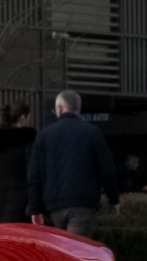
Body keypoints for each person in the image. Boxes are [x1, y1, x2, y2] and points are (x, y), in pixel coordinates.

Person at [26, 89, 118, 235]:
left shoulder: (44, 135)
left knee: (62, 251)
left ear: (59, 109)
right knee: (77, 250)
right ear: (78, 108)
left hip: (54, 204)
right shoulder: (92, 132)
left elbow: (34, 175)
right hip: (83, 203)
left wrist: (36, 208)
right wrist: (114, 198)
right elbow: (107, 168)